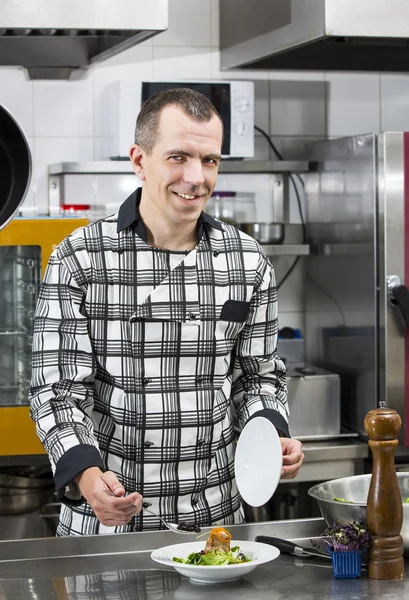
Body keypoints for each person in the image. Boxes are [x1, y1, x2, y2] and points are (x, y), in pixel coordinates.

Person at [29, 88, 304, 536]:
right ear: (139, 161)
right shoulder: (79, 257)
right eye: (179, 157)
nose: (196, 177)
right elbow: (56, 391)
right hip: (109, 524)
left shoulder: (248, 260)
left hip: (216, 522)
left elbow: (260, 375)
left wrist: (270, 432)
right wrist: (87, 476)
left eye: (210, 160)